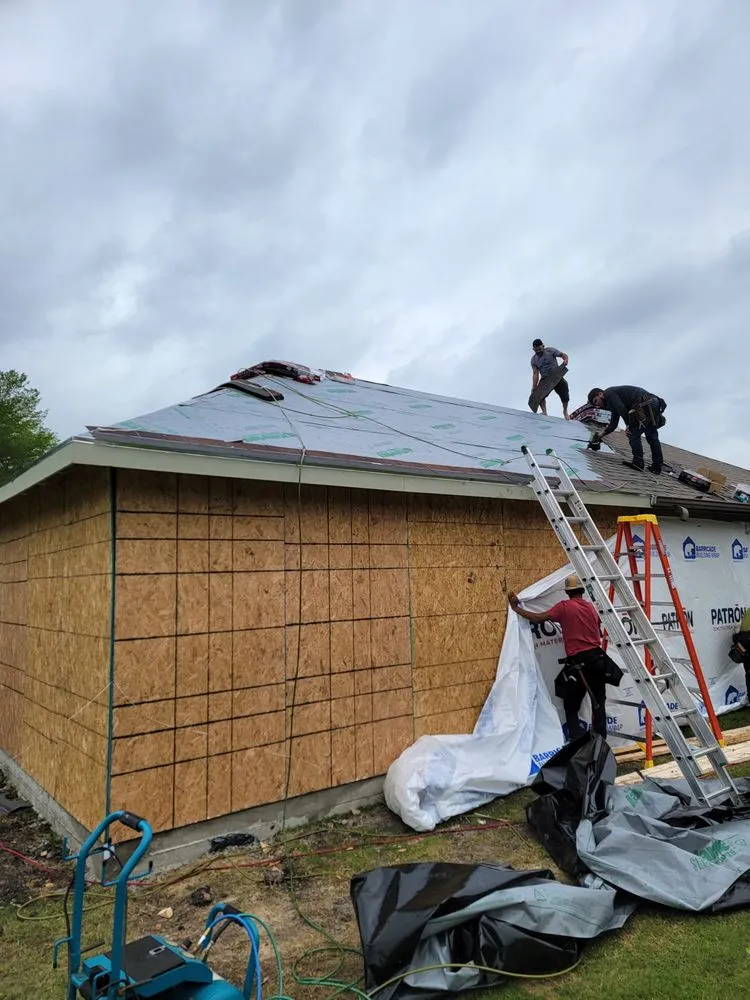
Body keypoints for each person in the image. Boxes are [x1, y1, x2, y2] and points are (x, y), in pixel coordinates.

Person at [508, 574, 608, 739]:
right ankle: (601, 742)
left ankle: (576, 740)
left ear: (567, 592)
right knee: (598, 703)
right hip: (598, 659)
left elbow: (539, 618)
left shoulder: (565, 607)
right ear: (582, 591)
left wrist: (517, 609)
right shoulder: (591, 608)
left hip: (580, 662)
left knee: (570, 703)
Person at [587, 386, 667, 474]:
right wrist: (601, 435)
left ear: (600, 394)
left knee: (632, 433)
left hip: (644, 404)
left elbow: (621, 407)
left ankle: (638, 462)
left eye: (596, 401)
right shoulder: (613, 401)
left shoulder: (608, 393)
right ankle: (657, 467)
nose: (597, 405)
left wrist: (628, 425)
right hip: (653, 402)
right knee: (652, 436)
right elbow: (613, 424)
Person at [530, 339, 570, 419]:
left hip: (556, 376)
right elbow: (535, 374)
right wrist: (534, 386)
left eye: (540, 349)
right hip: (545, 378)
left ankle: (565, 411)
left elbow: (563, 355)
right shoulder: (534, 360)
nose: (538, 351)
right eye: (536, 350)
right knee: (538, 394)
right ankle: (544, 412)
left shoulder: (550, 351)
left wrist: (565, 360)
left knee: (564, 390)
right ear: (533, 349)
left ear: (543, 346)